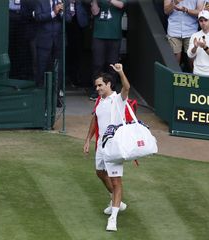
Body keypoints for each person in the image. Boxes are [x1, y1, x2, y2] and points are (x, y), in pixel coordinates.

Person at [83, 63, 130, 232]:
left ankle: (113, 218)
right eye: (96, 86)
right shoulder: (99, 101)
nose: (97, 88)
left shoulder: (119, 99)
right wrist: (88, 139)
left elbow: (127, 86)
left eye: (100, 85)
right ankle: (117, 201)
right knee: (100, 172)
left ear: (109, 84)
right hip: (101, 145)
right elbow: (95, 120)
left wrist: (121, 72)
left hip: (115, 146)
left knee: (116, 182)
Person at [34, 0, 73, 107]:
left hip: (59, 41)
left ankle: (55, 98)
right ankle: (40, 98)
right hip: (44, 41)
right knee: (42, 69)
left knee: (58, 71)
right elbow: (38, 17)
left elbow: (69, 19)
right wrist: (53, 13)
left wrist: (61, 12)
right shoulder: (40, 2)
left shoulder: (64, 2)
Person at [89, 0, 126, 101]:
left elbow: (121, 5)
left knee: (112, 65)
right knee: (97, 64)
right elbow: (95, 12)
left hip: (114, 35)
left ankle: (111, 90)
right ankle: (96, 90)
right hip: (98, 35)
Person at [164, 0, 203, 67]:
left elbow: (200, 12)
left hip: (191, 30)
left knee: (193, 61)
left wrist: (186, 10)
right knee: (174, 62)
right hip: (174, 30)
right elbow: (166, 11)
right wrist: (175, 2)